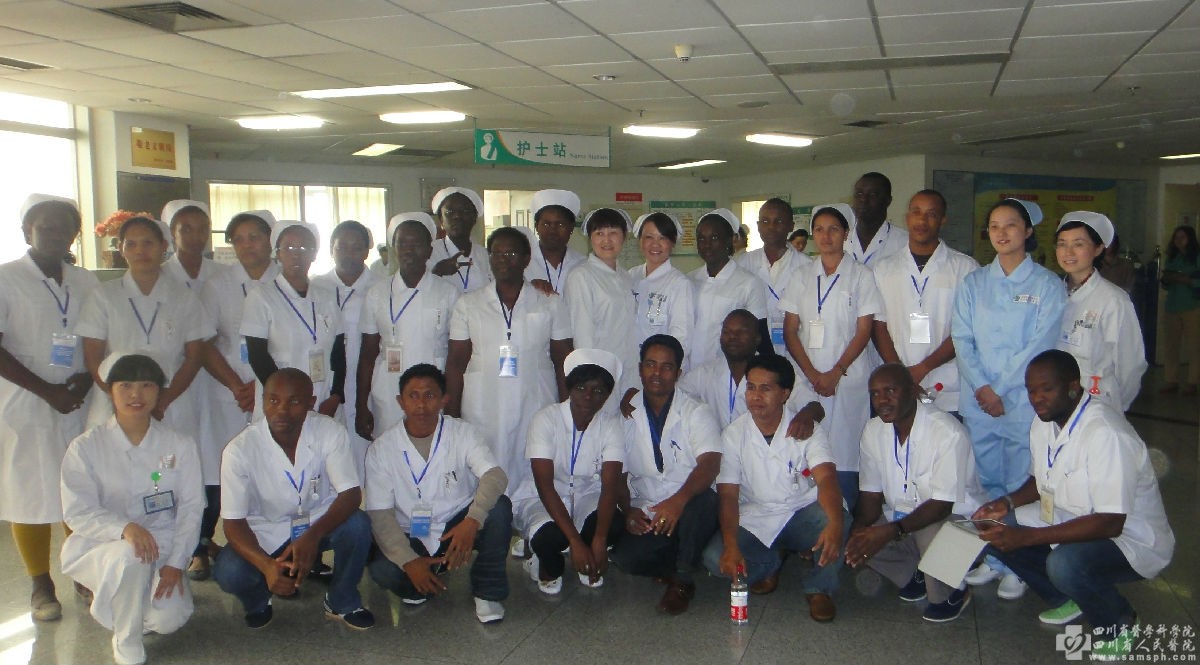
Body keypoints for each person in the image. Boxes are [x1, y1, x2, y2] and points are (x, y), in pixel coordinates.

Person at [973, 350, 1173, 656]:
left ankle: (1119, 623)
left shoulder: (1105, 433)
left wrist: (1028, 537)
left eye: (1046, 389)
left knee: (1064, 564)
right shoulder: (1044, 421)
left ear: (1073, 386)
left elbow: (1110, 522)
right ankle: (1068, 598)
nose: (1037, 399)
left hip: (1129, 537)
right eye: (1031, 390)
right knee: (996, 526)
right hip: (1070, 515)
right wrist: (1005, 503)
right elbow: (1040, 481)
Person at [951, 198, 1066, 599]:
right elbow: (962, 339)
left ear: (1028, 231)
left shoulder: (1047, 286)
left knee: (1019, 483)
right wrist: (983, 388)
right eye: (995, 225)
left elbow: (1040, 344)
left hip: (1023, 401)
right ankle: (996, 558)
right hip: (979, 400)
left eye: (1011, 225)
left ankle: (1020, 565)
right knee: (987, 481)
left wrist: (998, 389)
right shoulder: (973, 284)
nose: (1001, 233)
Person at [60, 353, 203, 665]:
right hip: (105, 546)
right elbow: (78, 511)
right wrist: (124, 529)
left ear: (159, 391)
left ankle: (129, 607)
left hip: (163, 544)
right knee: (132, 554)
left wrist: (176, 563)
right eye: (125, 385)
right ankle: (127, 641)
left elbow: (192, 508)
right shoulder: (86, 447)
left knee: (168, 619)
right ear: (110, 390)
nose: (136, 394)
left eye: (147, 385)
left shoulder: (180, 445)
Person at [0, 194, 99, 621]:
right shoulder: (6, 279)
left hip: (79, 398)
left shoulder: (86, 281)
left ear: (74, 235)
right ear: (27, 231)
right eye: (46, 226)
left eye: (65, 227)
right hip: (25, 401)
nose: (56, 234)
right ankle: (40, 583)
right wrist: (47, 390)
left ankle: (82, 570)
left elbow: (100, 335)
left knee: (78, 487)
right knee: (30, 490)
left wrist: (85, 379)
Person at [213, 368, 374, 630]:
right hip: (266, 531)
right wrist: (266, 566)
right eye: (273, 400)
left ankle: (342, 600)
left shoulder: (329, 432)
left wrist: (312, 536)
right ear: (263, 401)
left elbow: (351, 494)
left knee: (358, 524)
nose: (282, 410)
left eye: (294, 401)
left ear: (311, 403)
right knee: (228, 571)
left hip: (318, 523)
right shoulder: (239, 450)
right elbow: (233, 523)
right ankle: (258, 600)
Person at [703, 354, 848, 622]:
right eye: (751, 387)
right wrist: (731, 545)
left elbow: (827, 478)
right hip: (757, 515)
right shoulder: (733, 434)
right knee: (714, 559)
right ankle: (771, 563)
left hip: (801, 511)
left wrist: (836, 524)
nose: (756, 396)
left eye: (765, 388)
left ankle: (819, 589)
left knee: (836, 517)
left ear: (785, 394)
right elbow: (728, 495)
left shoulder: (807, 429)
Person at [365, 364, 511, 623]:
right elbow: (380, 514)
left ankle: (487, 592)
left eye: (430, 395)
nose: (421, 404)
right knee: (383, 571)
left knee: (499, 508)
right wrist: (409, 561)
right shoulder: (382, 448)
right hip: (410, 532)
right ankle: (421, 580)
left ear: (444, 400)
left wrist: (473, 519)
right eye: (413, 396)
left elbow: (495, 476)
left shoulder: (462, 432)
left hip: (458, 524)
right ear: (400, 401)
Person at [845, 364, 986, 623]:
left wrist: (891, 531)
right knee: (858, 534)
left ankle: (953, 593)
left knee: (931, 534)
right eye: (875, 394)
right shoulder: (873, 430)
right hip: (904, 520)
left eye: (890, 391)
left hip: (955, 520)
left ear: (912, 390)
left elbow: (942, 505)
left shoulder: (946, 431)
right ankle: (917, 573)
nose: (882, 400)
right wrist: (856, 534)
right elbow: (870, 496)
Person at [445, 227, 572, 502]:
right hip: (483, 403)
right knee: (484, 464)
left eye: (512, 253)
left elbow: (563, 358)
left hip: (535, 398)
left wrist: (566, 410)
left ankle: (532, 517)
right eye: (497, 253)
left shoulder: (549, 302)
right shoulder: (469, 304)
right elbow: (455, 362)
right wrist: (451, 414)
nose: (503, 260)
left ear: (526, 259)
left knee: (532, 463)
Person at [191, 210, 277, 580]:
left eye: (254, 237)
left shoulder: (285, 279)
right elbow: (204, 341)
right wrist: (236, 385)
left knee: (269, 469)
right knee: (217, 472)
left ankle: (275, 546)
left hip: (272, 390)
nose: (246, 245)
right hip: (227, 391)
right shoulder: (218, 284)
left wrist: (263, 387)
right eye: (238, 239)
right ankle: (200, 546)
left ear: (270, 239)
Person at [610, 335, 721, 615]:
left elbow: (710, 464)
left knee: (705, 503)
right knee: (625, 559)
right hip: (650, 507)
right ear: (640, 369)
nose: (657, 373)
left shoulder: (696, 411)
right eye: (650, 364)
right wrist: (628, 510)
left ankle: (682, 581)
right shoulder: (625, 414)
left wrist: (678, 502)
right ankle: (683, 558)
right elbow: (618, 473)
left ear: (678, 373)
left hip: (690, 503)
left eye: (666, 367)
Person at [781, 203, 882, 510]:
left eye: (834, 229)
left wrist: (836, 372)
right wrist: (813, 375)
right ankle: (811, 519)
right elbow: (790, 330)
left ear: (846, 234)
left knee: (845, 452)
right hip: (808, 379)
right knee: (808, 450)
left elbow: (864, 330)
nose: (826, 236)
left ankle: (846, 518)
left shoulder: (861, 275)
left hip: (847, 380)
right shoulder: (801, 276)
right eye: (819, 230)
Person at [77, 216, 213, 436]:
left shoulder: (184, 297)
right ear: (121, 249)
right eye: (131, 244)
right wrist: (122, 399)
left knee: (170, 457)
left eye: (148, 243)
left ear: (164, 246)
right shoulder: (103, 295)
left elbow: (194, 357)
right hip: (115, 403)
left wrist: (162, 400)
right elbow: (93, 358)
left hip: (170, 403)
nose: (140, 251)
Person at [514, 349, 625, 595]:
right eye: (581, 388)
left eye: (598, 391)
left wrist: (599, 540)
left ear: (607, 396)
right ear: (569, 388)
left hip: (587, 496)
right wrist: (576, 541)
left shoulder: (611, 426)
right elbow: (545, 486)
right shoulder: (545, 419)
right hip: (543, 498)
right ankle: (543, 561)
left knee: (614, 524)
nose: (588, 397)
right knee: (552, 539)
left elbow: (610, 488)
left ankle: (587, 558)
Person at [872, 190, 979, 414]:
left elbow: (966, 329)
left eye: (931, 214)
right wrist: (901, 373)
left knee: (948, 435)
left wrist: (923, 368)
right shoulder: (883, 269)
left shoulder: (965, 268)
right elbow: (879, 326)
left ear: (943, 220)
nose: (922, 220)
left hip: (947, 386)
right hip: (896, 388)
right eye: (916, 212)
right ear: (907, 217)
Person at [357, 213, 459, 440]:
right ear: (394, 248)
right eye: (402, 243)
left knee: (434, 448)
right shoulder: (377, 294)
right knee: (390, 448)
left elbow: (457, 355)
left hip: (433, 391)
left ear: (429, 251)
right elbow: (368, 354)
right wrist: (361, 405)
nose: (409, 250)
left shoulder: (448, 293)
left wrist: (453, 403)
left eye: (417, 244)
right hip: (389, 390)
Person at [240, 221, 345, 420]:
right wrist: (290, 401)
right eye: (289, 248)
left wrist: (336, 396)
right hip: (281, 406)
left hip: (324, 401)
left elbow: (339, 354)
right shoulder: (261, 297)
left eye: (304, 248)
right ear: (277, 254)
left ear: (314, 254)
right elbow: (258, 356)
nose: (297, 254)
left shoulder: (328, 298)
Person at [1053, 211, 1146, 410]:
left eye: (1078, 244)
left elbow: (1130, 365)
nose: (1068, 252)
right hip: (1055, 405)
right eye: (1062, 244)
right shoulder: (1050, 293)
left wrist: (1115, 407)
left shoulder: (1114, 300)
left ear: (1098, 249)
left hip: (1098, 405)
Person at [312, 220, 380, 478]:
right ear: (331, 248)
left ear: (367, 251)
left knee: (365, 455)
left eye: (357, 247)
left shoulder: (380, 287)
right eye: (342, 247)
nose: (349, 254)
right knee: (327, 456)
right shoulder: (315, 287)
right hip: (327, 385)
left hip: (367, 384)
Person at [564, 207, 638, 406]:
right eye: (599, 233)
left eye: (613, 233)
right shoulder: (581, 276)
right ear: (590, 239)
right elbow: (582, 335)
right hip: (599, 375)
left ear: (624, 237)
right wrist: (591, 381)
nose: (607, 240)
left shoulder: (626, 276)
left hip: (629, 371)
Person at [688, 208, 770, 368]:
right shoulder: (689, 280)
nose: (707, 245)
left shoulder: (749, 283)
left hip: (729, 372)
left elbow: (760, 336)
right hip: (689, 371)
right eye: (701, 239)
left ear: (731, 239)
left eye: (714, 238)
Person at [736, 198, 812, 360]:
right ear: (758, 226)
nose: (771, 227)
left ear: (791, 226)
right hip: (754, 352)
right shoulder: (742, 264)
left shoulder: (808, 266)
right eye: (765, 221)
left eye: (778, 221)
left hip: (797, 352)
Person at [629, 212, 695, 359]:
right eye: (649, 237)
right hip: (629, 363)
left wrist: (666, 367)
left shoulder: (680, 284)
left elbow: (681, 338)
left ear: (673, 243)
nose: (655, 244)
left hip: (660, 367)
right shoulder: (630, 276)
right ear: (640, 241)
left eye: (663, 238)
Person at [1159, 225, 1200, 395]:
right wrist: (1168, 278)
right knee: (1171, 345)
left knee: (1194, 346)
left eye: (1182, 237)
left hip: (1192, 305)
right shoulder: (1172, 258)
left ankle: (1192, 381)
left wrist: (1187, 280)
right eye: (1176, 237)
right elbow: (1166, 283)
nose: (1179, 240)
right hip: (1172, 305)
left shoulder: (1196, 257)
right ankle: (1171, 380)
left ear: (1190, 238)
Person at [428, 187, 492, 293]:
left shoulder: (485, 255)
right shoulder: (429, 253)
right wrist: (436, 272)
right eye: (449, 212)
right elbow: (418, 293)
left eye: (465, 211)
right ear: (441, 220)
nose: (457, 216)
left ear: (474, 218)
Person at [525, 189, 585, 295]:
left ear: (571, 228)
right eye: (546, 224)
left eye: (560, 225)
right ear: (536, 226)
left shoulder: (583, 263)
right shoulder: (522, 262)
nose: (553, 230)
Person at [846, 172, 909, 266]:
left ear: (888, 200)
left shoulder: (905, 242)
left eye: (872, 195)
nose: (863, 199)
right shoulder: (840, 240)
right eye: (859, 194)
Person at [160, 200, 222, 291]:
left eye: (202, 230)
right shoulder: (159, 276)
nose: (195, 237)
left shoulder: (221, 273)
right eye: (187, 230)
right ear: (173, 232)